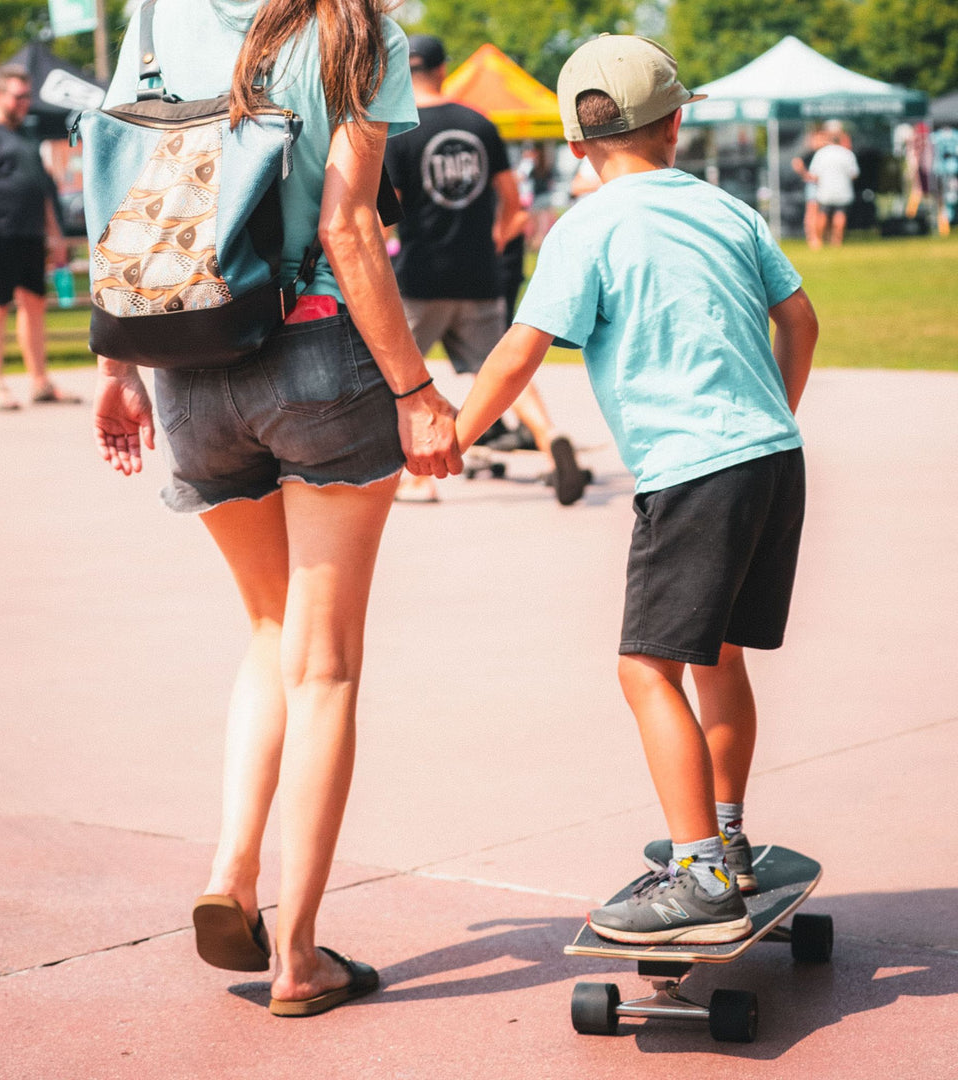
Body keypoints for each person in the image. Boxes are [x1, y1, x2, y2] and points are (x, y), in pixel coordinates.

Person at [94, 0, 461, 1016]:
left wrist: (118, 365)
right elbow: (347, 225)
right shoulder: (356, 31)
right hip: (318, 357)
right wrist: (419, 393)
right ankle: (298, 954)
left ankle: (230, 874)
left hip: (185, 357)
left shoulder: (159, 15)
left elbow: (127, 187)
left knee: (266, 630)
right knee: (326, 662)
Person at [455, 34, 818, 944]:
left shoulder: (587, 225)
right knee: (718, 656)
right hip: (773, 458)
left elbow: (521, 347)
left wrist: (451, 437)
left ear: (578, 145)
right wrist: (774, 410)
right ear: (678, 123)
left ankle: (699, 874)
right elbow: (800, 320)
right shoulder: (728, 210)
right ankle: (726, 840)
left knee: (644, 668)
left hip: (694, 472)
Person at [384, 34, 586, 506]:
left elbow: (382, 217)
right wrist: (488, 245)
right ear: (443, 68)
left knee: (399, 380)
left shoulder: (398, 131)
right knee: (502, 372)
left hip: (419, 276)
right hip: (477, 275)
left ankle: (418, 479)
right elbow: (514, 206)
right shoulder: (479, 124)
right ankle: (550, 435)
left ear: (402, 72)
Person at [0, 64, 80, 411]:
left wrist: (55, 236)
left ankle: (40, 383)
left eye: (28, 96)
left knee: (35, 303)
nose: (25, 102)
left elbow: (42, 192)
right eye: (19, 96)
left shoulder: (27, 137)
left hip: (30, 235)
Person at [806, 121, 859, 247]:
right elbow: (854, 174)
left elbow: (814, 174)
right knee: (840, 214)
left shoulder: (821, 154)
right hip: (843, 190)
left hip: (825, 190)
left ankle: (819, 240)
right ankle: (837, 241)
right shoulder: (847, 154)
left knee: (823, 213)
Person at [791, 127, 826, 250]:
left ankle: (820, 237)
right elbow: (796, 162)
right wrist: (806, 175)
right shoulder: (809, 153)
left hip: (824, 184)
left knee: (822, 212)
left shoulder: (823, 153)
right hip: (814, 185)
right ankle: (812, 238)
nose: (820, 142)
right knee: (812, 211)